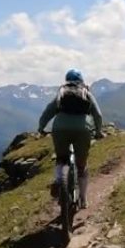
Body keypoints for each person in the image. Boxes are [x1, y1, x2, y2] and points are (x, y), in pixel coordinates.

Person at [38, 69, 104, 209]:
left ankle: (59, 180)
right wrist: (98, 131)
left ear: (66, 80)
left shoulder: (61, 93)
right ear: (82, 81)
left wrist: (41, 128)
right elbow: (98, 114)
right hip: (83, 129)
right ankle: (83, 199)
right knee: (82, 165)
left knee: (61, 158)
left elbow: (47, 112)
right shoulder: (86, 93)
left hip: (60, 129)